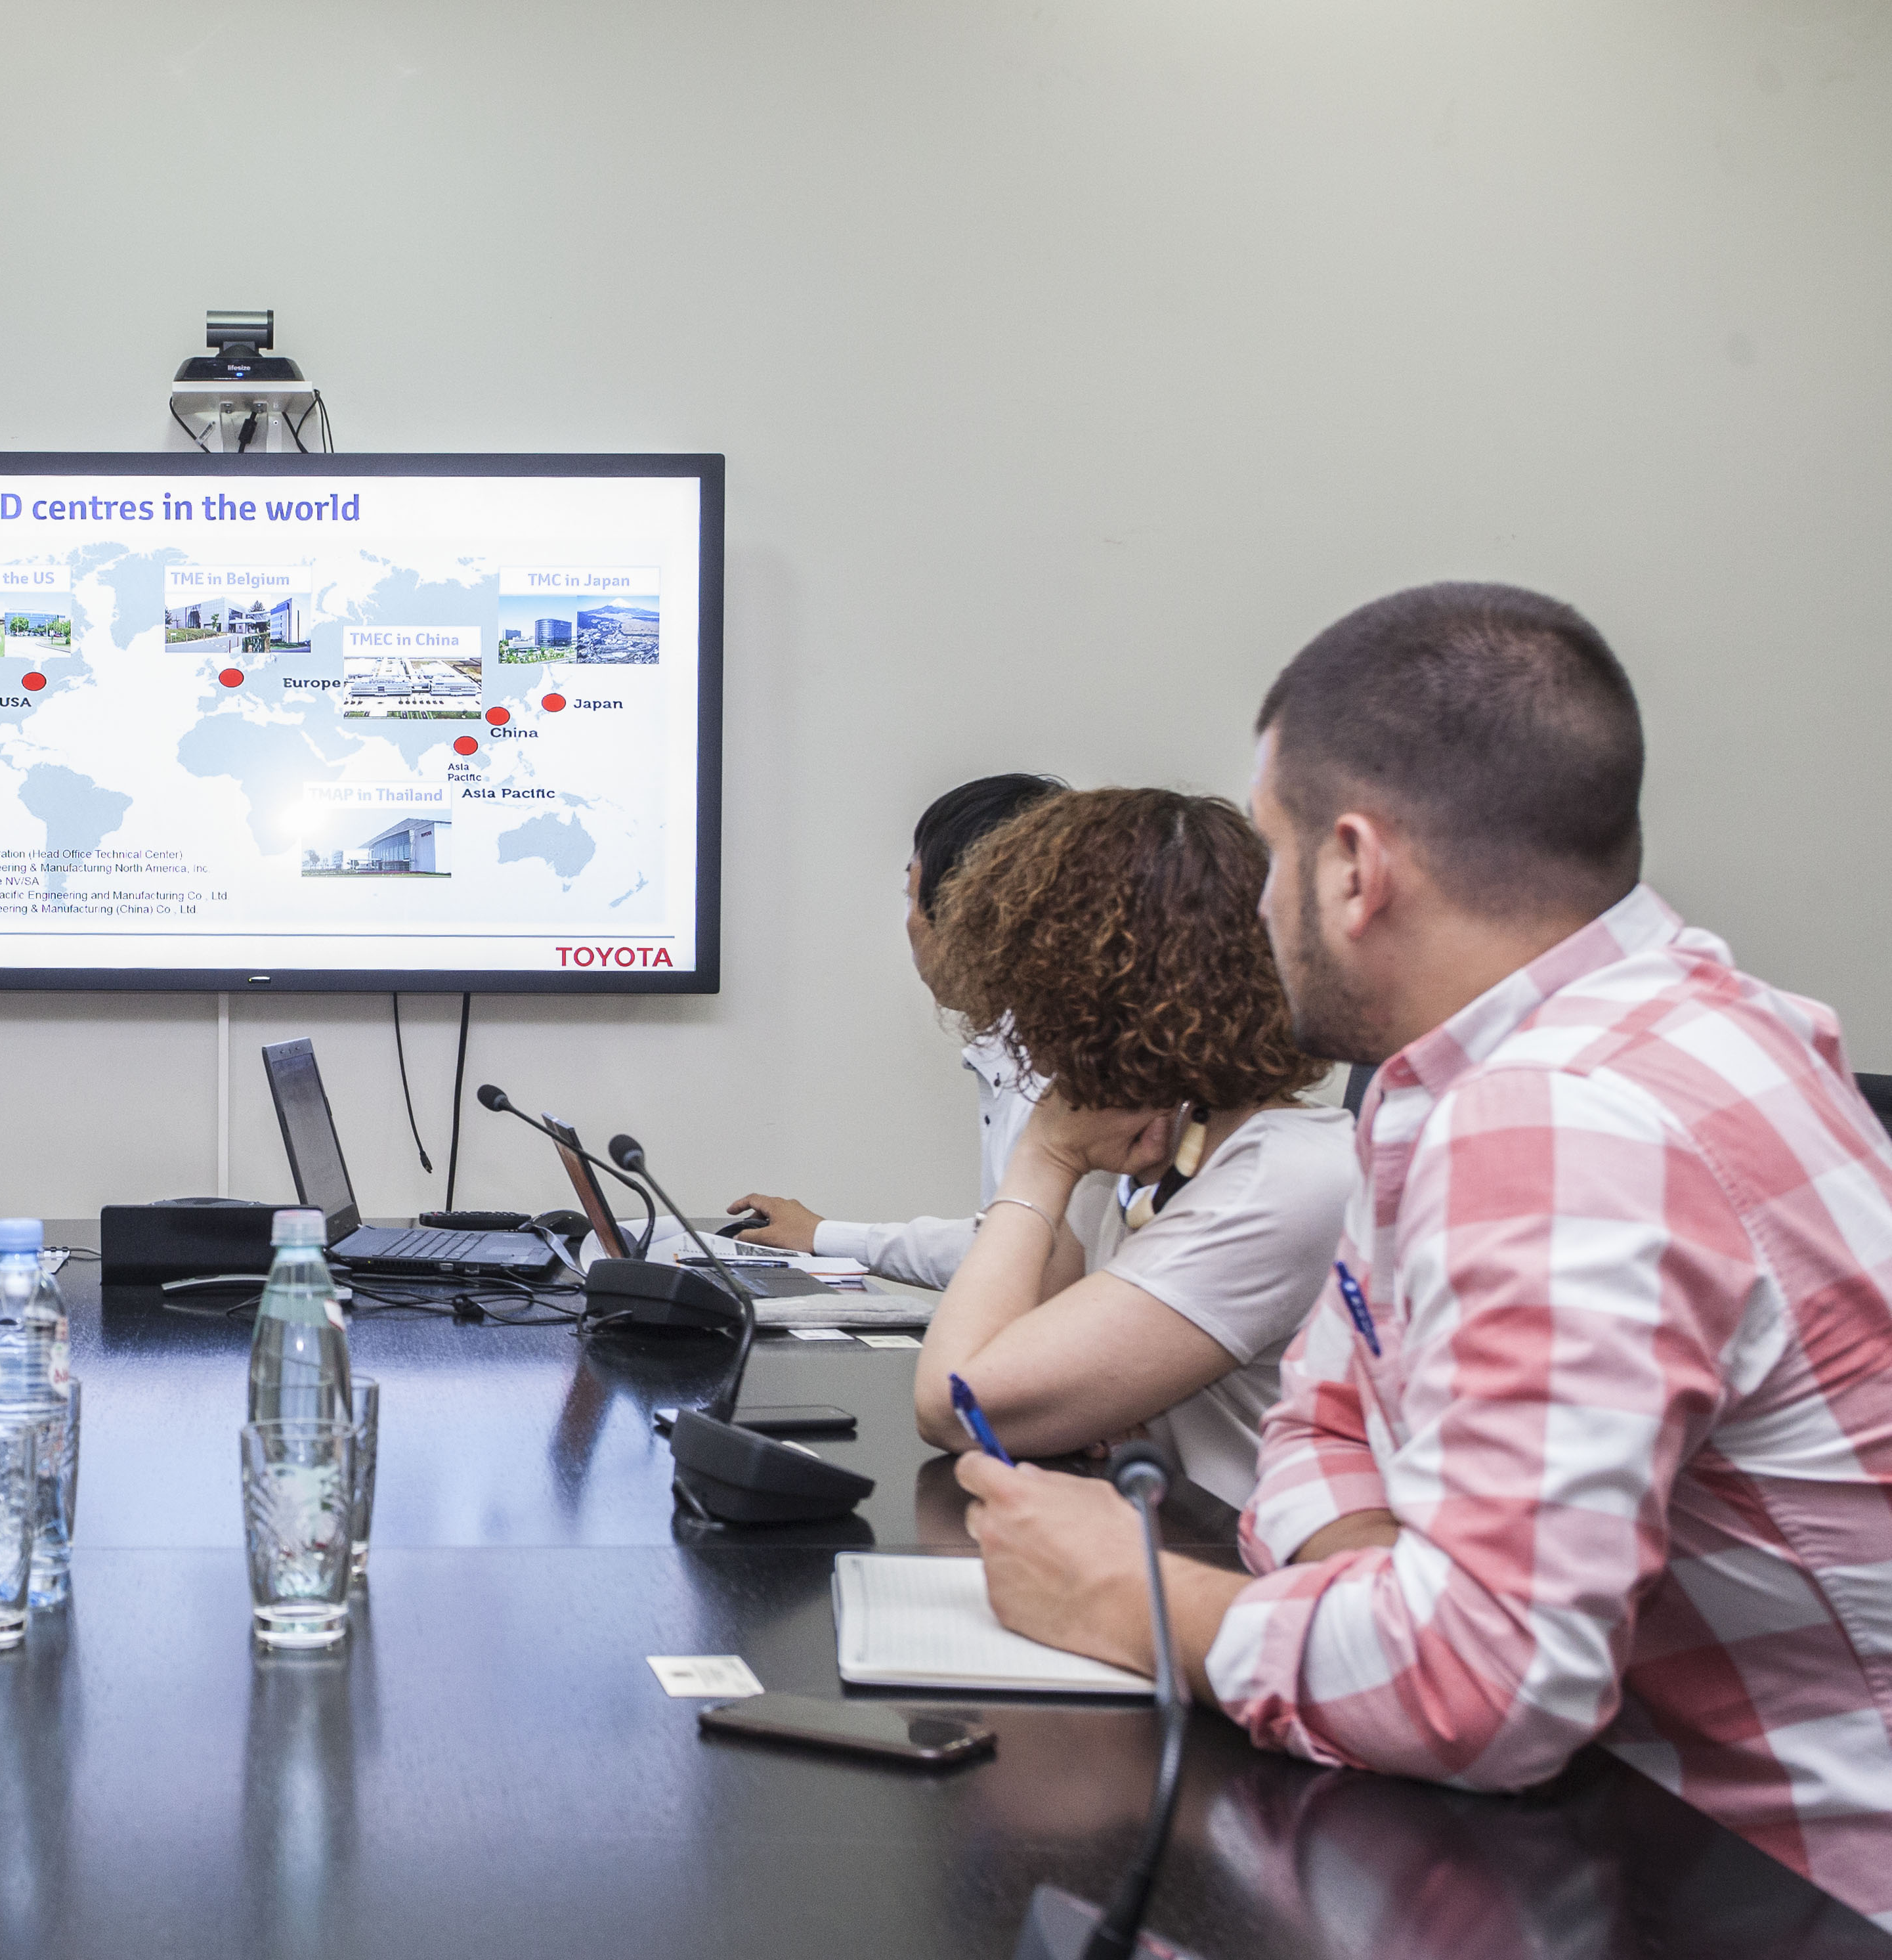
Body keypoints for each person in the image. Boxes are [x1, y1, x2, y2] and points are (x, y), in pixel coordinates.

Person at [962, 583, 1892, 1927]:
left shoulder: (1564, 1116)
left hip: (1767, 1897)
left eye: (1272, 856)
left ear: (1353, 867)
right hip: (1598, 1836)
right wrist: (1386, 1590)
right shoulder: (1509, 1070)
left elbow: (1485, 1682)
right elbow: (1322, 1423)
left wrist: (1136, 1598)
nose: (1259, 906)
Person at [906, 787, 1351, 1508]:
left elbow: (957, 1406)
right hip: (1171, 1531)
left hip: (1245, 1564)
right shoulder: (1147, 1139)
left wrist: (1043, 1159)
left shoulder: (1284, 1176)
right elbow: (1011, 1350)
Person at [728, 772, 1063, 1286]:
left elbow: (1024, 1265)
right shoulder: (1014, 1044)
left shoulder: (1068, 1067)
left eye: (911, 895)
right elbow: (1004, 1240)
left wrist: (825, 1236)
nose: (909, 923)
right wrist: (822, 1234)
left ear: (968, 913)